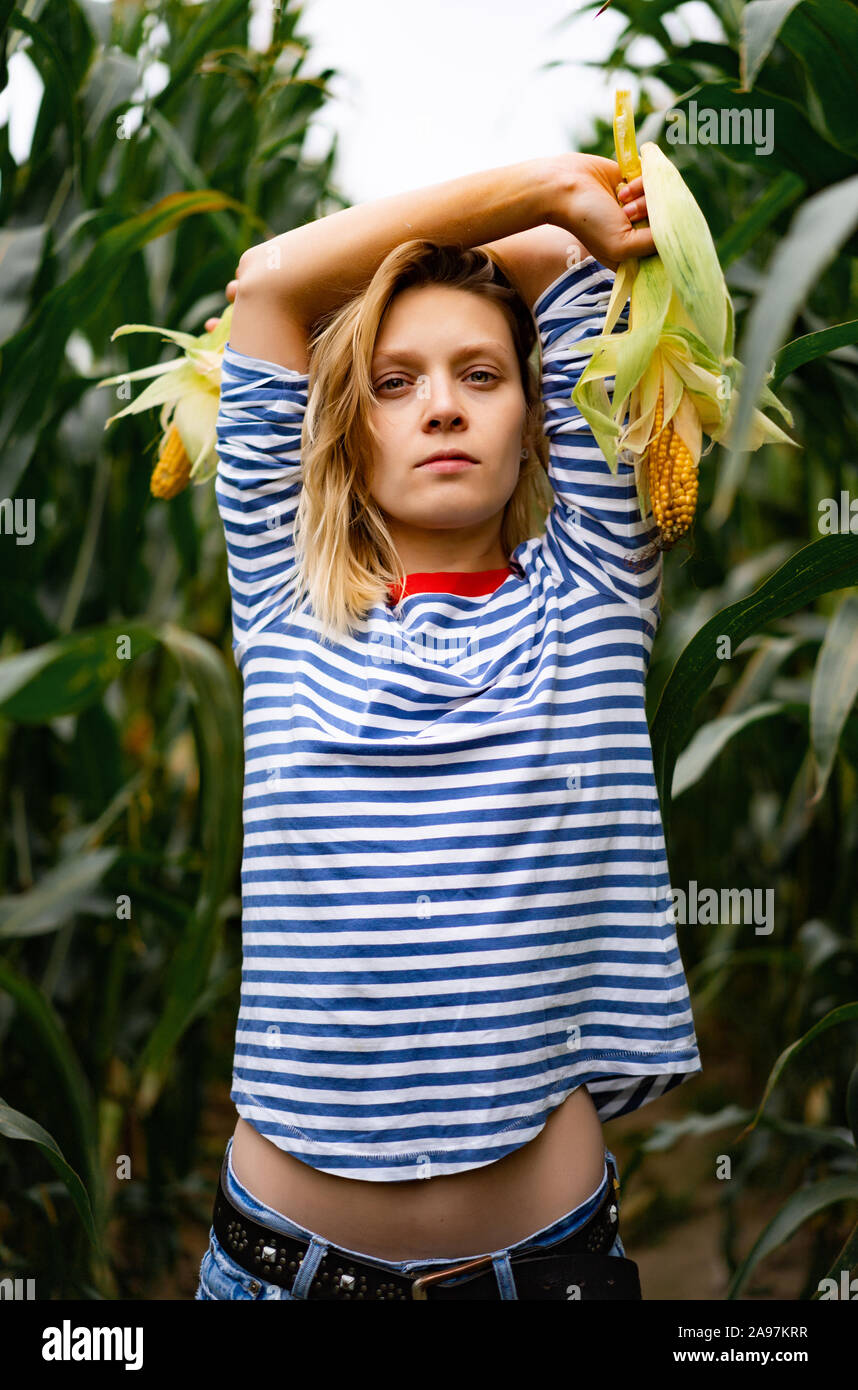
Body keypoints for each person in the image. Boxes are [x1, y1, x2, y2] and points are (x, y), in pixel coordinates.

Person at [194, 153, 702, 1301]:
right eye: (391, 382)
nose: (440, 406)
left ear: (535, 415)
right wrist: (538, 190)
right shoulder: (283, 597)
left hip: (545, 1272)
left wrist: (547, 232)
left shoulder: (590, 592)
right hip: (284, 1274)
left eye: (481, 373)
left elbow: (571, 263)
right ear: (345, 426)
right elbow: (270, 284)